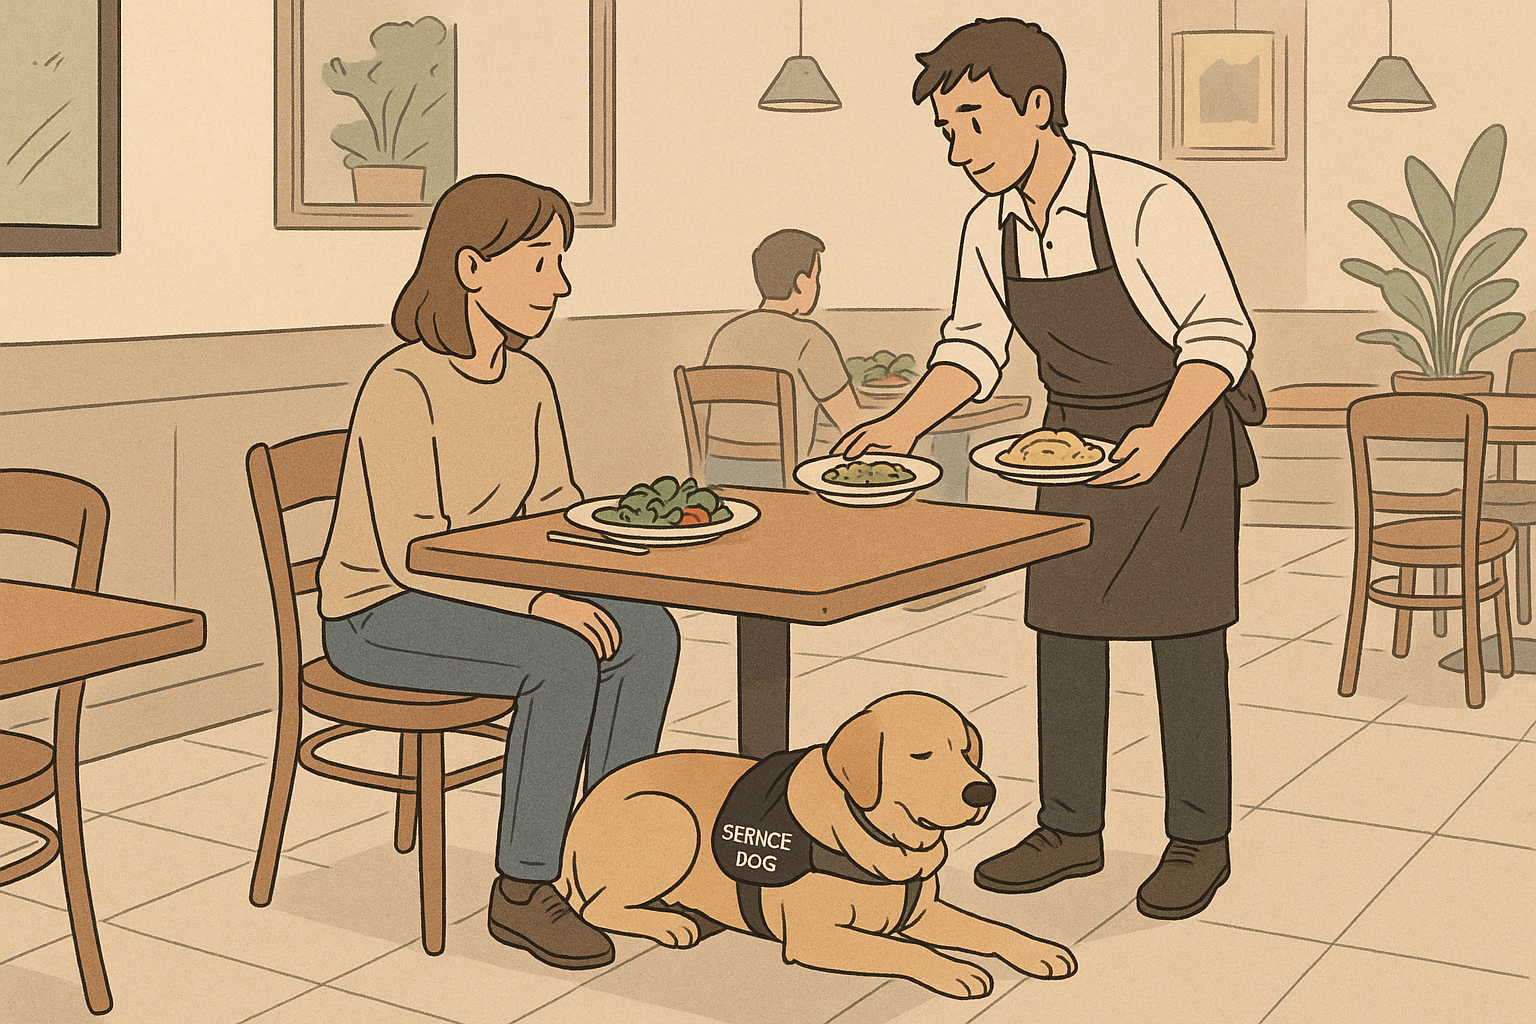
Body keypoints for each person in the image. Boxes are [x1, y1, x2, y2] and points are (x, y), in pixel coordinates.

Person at [836, 18, 1265, 921]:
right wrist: (902, 427)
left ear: (1039, 107)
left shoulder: (1147, 203)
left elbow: (1220, 336)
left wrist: (1156, 435)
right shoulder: (986, 227)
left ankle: (1199, 839)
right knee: (1064, 633)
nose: (960, 151)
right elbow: (973, 348)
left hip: (1179, 436)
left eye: (975, 122)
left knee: (1185, 645)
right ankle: (1071, 829)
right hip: (1068, 441)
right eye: (948, 131)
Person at [317, 174, 680, 969]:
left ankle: (611, 850)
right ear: (472, 268)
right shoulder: (402, 382)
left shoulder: (530, 381)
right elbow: (411, 553)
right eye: (542, 260)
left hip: (489, 596)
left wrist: (617, 556)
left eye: (562, 260)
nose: (562, 282)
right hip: (380, 612)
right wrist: (540, 600)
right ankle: (523, 887)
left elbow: (554, 509)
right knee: (560, 656)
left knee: (648, 632)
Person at [702, 229, 871, 486]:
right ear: (802, 283)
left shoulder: (726, 334)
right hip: (782, 479)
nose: (818, 285)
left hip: (718, 475)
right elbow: (852, 424)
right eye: (817, 277)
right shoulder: (811, 337)